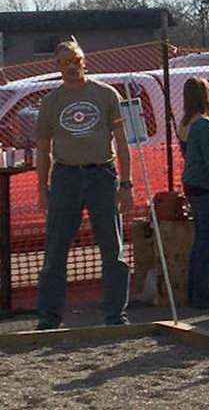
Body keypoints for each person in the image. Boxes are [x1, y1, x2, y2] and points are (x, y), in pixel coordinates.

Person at [35, 39, 133, 330]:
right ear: (57, 67)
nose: (71, 67)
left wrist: (126, 184)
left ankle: (116, 316)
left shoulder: (106, 94)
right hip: (65, 177)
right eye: (64, 62)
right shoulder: (50, 102)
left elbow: (123, 143)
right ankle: (49, 318)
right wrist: (43, 189)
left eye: (75, 60)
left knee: (112, 248)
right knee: (55, 249)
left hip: (102, 175)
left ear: (84, 61)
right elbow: (43, 149)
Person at [178, 77, 209, 309]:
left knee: (200, 240)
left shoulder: (184, 124)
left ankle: (193, 292)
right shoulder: (204, 124)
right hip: (206, 187)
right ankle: (202, 296)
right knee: (205, 243)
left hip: (191, 185)